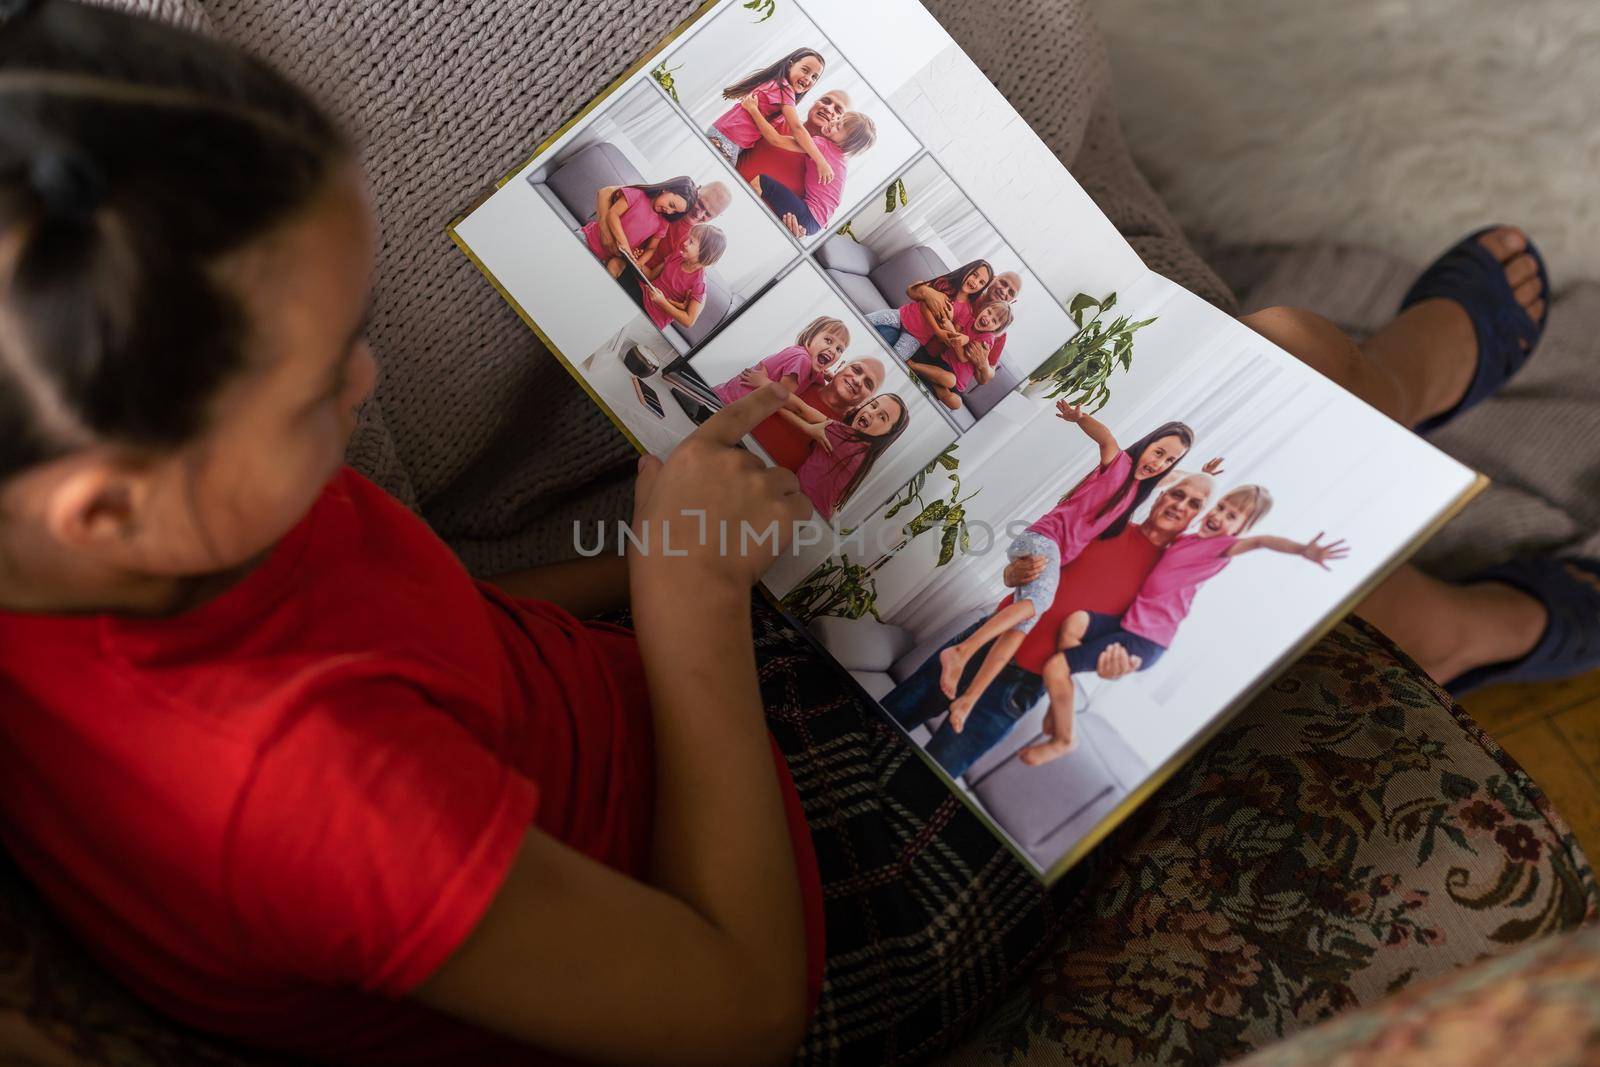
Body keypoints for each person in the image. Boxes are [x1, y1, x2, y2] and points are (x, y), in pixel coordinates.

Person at [0, 5, 1565, 1067]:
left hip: (662, 711)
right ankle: (1413, 486)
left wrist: (679, 562)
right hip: (814, 902)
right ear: (110, 504)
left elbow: (434, 638)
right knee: (1266, 369)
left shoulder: (112, 517)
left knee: (1118, 439)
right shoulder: (302, 795)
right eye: (319, 376)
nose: (367, 378)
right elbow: (742, 1003)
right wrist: (690, 610)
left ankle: (1390, 543)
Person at [885, 476, 1214, 777]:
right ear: (1160, 494)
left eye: (1194, 504)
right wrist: (1012, 574)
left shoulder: (1167, 581)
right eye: (1177, 493)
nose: (1180, 505)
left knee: (925, 780)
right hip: (983, 644)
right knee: (885, 721)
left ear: (1199, 518)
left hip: (1022, 685)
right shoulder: (1104, 524)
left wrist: (1114, 669)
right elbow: (1022, 575)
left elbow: (1132, 642)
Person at [937, 405, 1201, 727]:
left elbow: (1171, 478)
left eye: (1168, 460)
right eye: (1158, 452)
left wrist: (1201, 477)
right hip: (1042, 540)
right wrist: (1080, 419)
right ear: (1147, 444)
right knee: (1039, 603)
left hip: (1053, 554)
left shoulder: (1136, 491)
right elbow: (1105, 439)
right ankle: (962, 652)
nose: (1158, 463)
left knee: (1018, 630)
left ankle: (968, 700)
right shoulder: (1118, 465)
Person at [742, 89, 875, 236]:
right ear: (814, 102)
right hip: (813, 221)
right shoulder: (839, 160)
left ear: (847, 142)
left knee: (762, 182)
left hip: (784, 223)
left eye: (838, 115)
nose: (831, 115)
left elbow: (776, 139)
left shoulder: (822, 146)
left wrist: (753, 109)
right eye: (826, 101)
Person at [705, 47, 832, 180]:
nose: (808, 78)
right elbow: (797, 128)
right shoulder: (785, 90)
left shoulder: (776, 85)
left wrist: (809, 149)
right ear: (790, 65)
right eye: (805, 70)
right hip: (727, 139)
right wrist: (821, 162)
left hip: (725, 136)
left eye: (814, 77)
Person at [750, 357, 885, 470]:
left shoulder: (845, 432)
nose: (857, 380)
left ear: (868, 399)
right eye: (856, 370)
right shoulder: (804, 377)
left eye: (868, 384)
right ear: (841, 366)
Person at [794, 394, 910, 519]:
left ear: (887, 434)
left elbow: (798, 408)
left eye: (882, 417)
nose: (872, 413)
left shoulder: (842, 437)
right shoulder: (865, 458)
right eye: (873, 405)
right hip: (815, 515)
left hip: (799, 507)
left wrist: (806, 427)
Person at [865, 260, 993, 366]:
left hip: (916, 338)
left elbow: (953, 334)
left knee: (893, 362)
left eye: (981, 282)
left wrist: (956, 335)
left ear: (983, 288)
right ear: (967, 269)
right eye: (974, 274)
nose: (975, 282)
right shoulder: (946, 283)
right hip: (902, 315)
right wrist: (938, 330)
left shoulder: (966, 311)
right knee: (866, 321)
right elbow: (922, 302)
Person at [710, 315, 849, 410]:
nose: (832, 350)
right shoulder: (803, 360)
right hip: (728, 403)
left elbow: (818, 383)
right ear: (812, 336)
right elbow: (780, 396)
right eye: (828, 340)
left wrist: (832, 378)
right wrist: (764, 383)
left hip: (727, 397)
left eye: (839, 349)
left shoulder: (810, 364)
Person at [579, 176, 697, 278]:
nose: (669, 211)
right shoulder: (638, 195)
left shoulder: (663, 223)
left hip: (606, 258)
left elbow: (651, 248)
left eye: (675, 211)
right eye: (671, 205)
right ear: (665, 189)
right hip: (587, 240)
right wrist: (624, 244)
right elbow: (612, 214)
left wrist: (638, 263)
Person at [639, 223, 725, 331]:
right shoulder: (677, 256)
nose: (684, 243)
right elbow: (651, 276)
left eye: (691, 242)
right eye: (688, 238)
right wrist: (638, 262)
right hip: (642, 295)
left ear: (704, 253)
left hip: (653, 317)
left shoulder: (699, 284)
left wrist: (662, 302)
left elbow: (689, 321)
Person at [642, 178, 731, 271]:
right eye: (701, 204)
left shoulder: (699, 241)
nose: (699, 214)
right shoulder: (667, 202)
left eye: (708, 214)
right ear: (697, 189)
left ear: (715, 217)